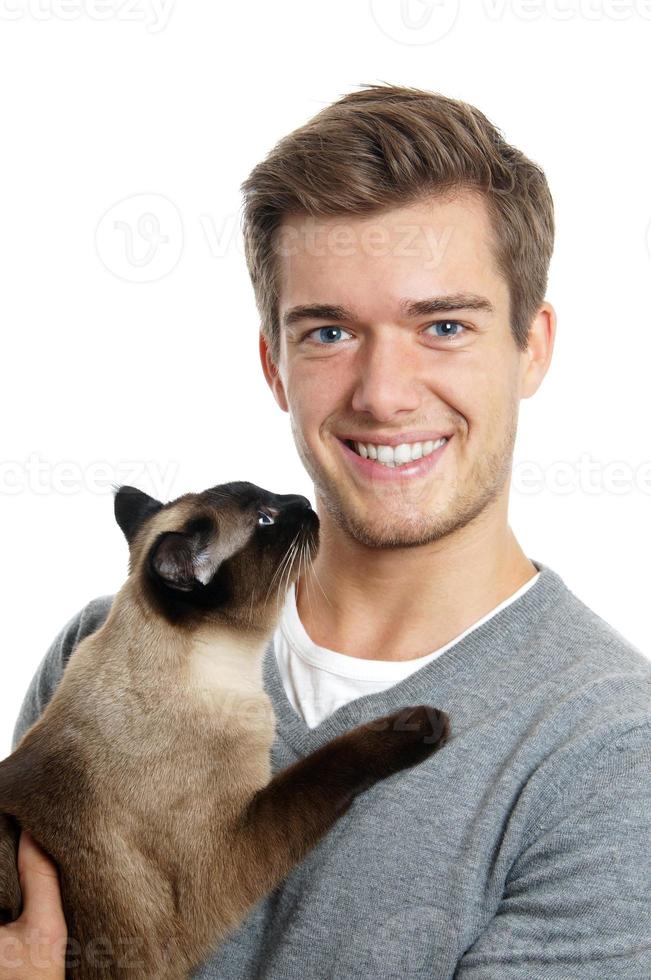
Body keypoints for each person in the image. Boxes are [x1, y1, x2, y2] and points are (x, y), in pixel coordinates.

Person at [3, 84, 650, 979]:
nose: (383, 394)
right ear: (274, 362)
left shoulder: (609, 754)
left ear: (531, 346)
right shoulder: (100, 647)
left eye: (445, 325)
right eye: (331, 331)